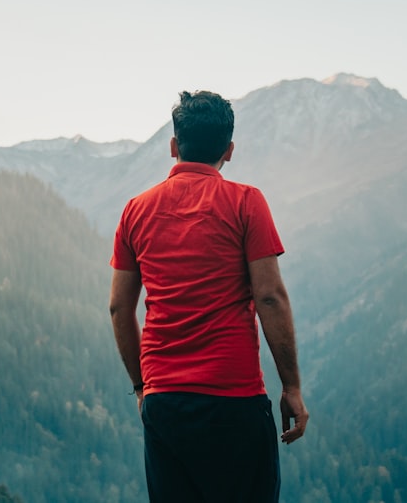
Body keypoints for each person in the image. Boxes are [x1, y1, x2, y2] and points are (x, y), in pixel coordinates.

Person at [109, 90, 309, 503]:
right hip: (233, 399)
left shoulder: (135, 210)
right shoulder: (246, 202)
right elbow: (269, 297)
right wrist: (291, 386)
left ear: (173, 146)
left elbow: (118, 308)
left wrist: (142, 387)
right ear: (229, 150)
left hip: (166, 403)